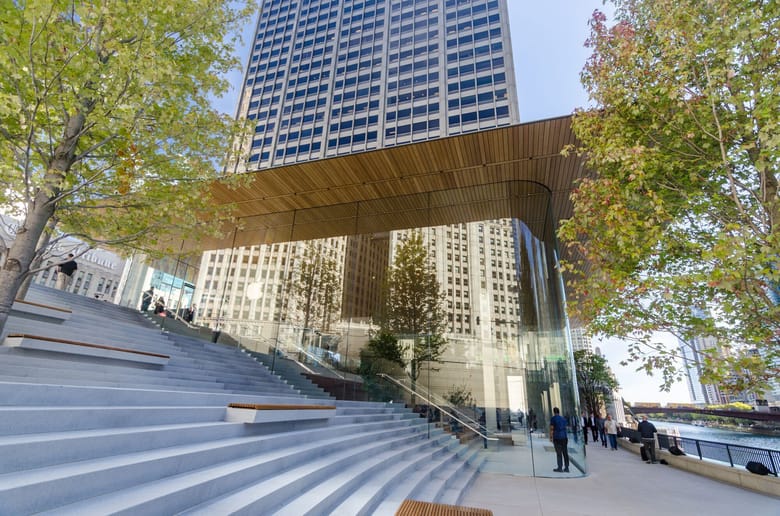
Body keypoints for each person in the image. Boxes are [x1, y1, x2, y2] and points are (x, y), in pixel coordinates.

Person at [549, 407, 570, 473]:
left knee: (559, 453)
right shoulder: (563, 419)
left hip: (557, 437)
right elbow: (566, 427)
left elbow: (552, 428)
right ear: (559, 411)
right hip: (564, 437)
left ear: (554, 412)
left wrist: (551, 437)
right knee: (565, 453)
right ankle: (566, 468)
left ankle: (560, 468)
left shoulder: (553, 419)